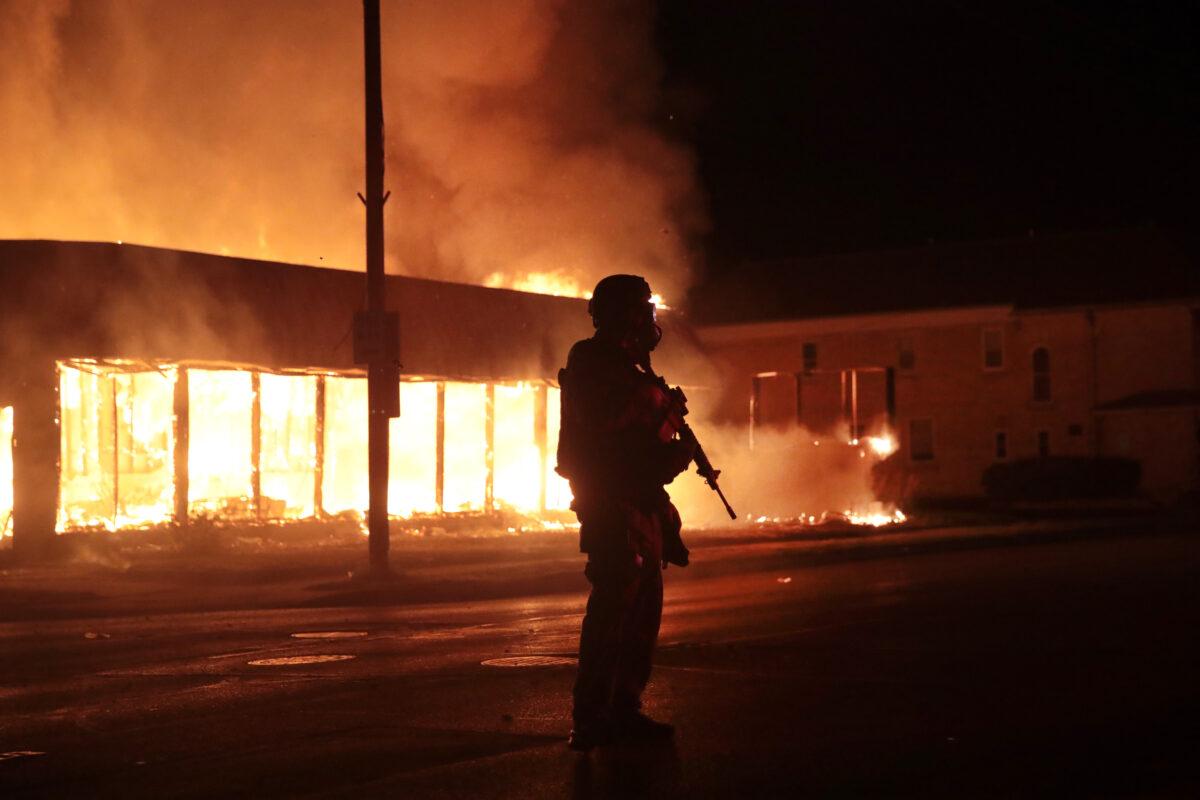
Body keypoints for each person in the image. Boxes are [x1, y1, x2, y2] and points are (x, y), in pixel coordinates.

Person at [556, 274, 695, 751]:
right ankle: (592, 717)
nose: (650, 322)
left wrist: (668, 452)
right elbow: (605, 425)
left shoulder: (632, 369)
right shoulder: (591, 361)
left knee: (642, 612)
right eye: (642, 311)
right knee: (614, 609)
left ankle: (624, 708)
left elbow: (635, 446)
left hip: (637, 498)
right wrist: (656, 406)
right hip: (609, 503)